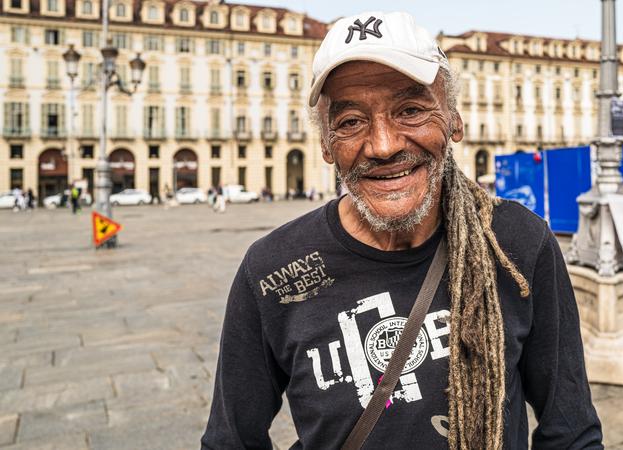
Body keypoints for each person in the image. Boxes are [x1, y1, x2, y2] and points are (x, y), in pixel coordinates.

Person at [202, 11, 602, 450]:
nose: (384, 145)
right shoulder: (274, 269)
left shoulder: (516, 243)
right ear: (325, 144)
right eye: (351, 121)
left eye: (410, 110)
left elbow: (571, 432)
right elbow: (230, 441)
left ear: (453, 121)